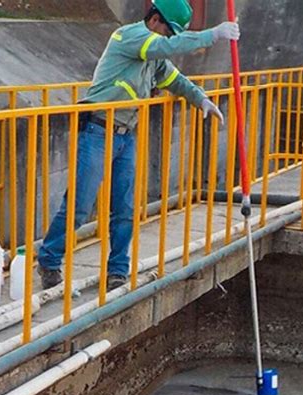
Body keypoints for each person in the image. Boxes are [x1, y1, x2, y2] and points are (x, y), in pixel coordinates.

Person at [37, 0, 240, 290]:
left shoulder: (154, 54)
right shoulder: (130, 37)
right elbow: (168, 48)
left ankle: (117, 270)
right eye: (169, 32)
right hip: (98, 129)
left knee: (124, 208)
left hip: (125, 134)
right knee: (80, 206)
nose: (170, 39)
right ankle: (50, 258)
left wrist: (201, 99)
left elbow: (174, 79)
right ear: (155, 20)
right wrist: (213, 34)